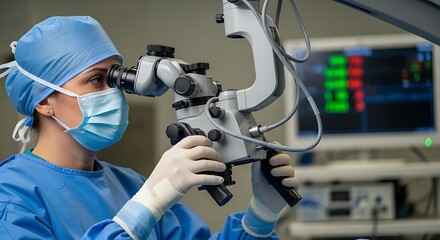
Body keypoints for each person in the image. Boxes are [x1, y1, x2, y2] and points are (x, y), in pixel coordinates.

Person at [0, 16, 298, 239]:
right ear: (44, 101)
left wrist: (260, 215)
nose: (113, 92)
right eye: (96, 80)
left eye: (116, 79)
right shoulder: (11, 194)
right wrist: (146, 205)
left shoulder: (129, 185)